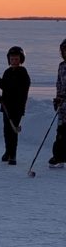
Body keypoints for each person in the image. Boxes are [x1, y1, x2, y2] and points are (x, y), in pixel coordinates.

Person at [0, 46, 31, 165]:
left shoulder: (23, 73)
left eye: (16, 59)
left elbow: (17, 90)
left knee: (13, 130)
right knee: (6, 130)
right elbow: (5, 87)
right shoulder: (7, 72)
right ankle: (7, 152)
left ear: (21, 60)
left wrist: (5, 95)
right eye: (12, 59)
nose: (14, 61)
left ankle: (13, 155)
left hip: (16, 107)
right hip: (7, 106)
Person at [48, 39, 66, 168]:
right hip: (62, 105)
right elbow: (59, 84)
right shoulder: (62, 66)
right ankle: (58, 157)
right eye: (64, 50)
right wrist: (58, 98)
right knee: (60, 132)